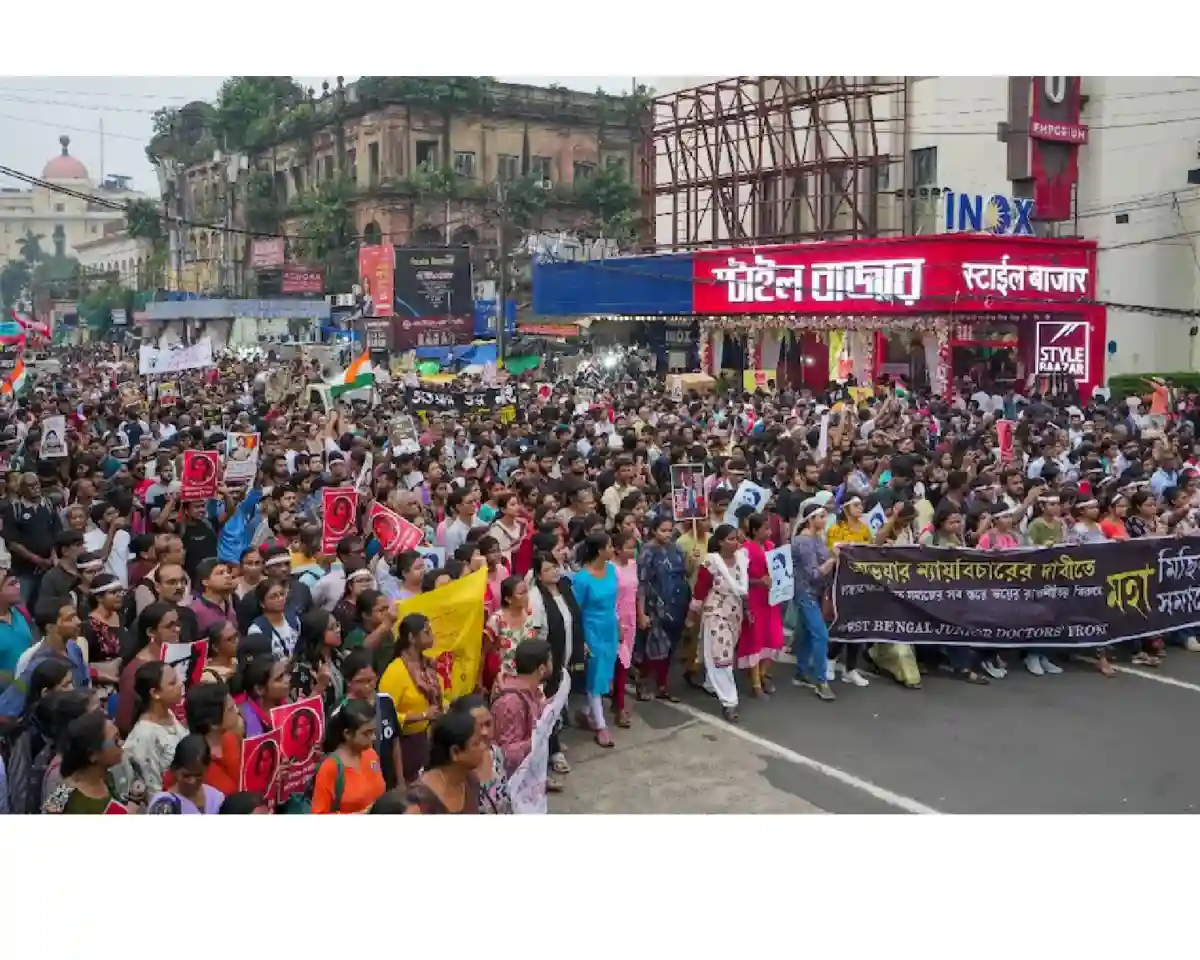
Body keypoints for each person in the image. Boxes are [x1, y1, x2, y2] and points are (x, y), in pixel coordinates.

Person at [378, 613, 444, 783]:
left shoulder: (428, 665)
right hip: (404, 746)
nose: (432, 635)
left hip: (426, 740)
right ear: (411, 638)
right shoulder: (395, 672)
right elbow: (384, 716)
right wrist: (423, 715)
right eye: (426, 631)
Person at [571, 532, 619, 748]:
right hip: (591, 630)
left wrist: (618, 625)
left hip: (610, 627)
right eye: (610, 546)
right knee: (596, 676)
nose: (613, 549)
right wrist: (580, 639)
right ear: (600, 550)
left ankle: (586, 712)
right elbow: (576, 610)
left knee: (606, 673)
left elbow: (613, 602)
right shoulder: (581, 579)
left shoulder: (611, 570)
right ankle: (600, 725)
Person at [636, 514, 690, 701]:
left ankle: (662, 685)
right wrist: (641, 612)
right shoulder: (647, 551)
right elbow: (642, 583)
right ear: (653, 530)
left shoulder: (677, 549)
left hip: (676, 604)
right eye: (663, 530)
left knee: (671, 648)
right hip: (655, 606)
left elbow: (684, 574)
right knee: (653, 647)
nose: (667, 534)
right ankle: (643, 682)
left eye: (670, 530)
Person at [790, 502, 838, 702]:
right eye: (821, 517)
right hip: (806, 593)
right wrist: (833, 559)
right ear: (810, 519)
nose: (825, 520)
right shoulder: (803, 541)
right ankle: (821, 681)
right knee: (820, 635)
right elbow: (814, 574)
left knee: (806, 634)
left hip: (815, 593)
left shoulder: (817, 538)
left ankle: (801, 672)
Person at [43, 712, 136, 814]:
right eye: (116, 740)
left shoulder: (107, 778)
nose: (122, 744)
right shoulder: (64, 803)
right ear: (93, 755)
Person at [736, 512, 786, 695]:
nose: (770, 532)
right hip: (754, 600)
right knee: (755, 640)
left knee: (774, 638)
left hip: (771, 600)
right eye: (766, 528)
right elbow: (740, 578)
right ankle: (756, 683)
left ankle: (763, 673)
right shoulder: (744, 550)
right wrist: (759, 581)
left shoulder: (771, 546)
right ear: (755, 530)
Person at [341, 649, 402, 791]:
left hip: (387, 780)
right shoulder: (343, 710)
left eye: (371, 680)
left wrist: (400, 781)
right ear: (349, 682)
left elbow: (395, 741)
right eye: (360, 681)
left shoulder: (386, 701)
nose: (367, 686)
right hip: (358, 784)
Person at [311, 698, 386, 814]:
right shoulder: (330, 768)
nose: (373, 738)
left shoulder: (370, 754)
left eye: (373, 732)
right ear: (348, 734)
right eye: (367, 733)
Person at [122, 660, 187, 794]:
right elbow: (152, 790)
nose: (180, 684)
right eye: (172, 683)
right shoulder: (144, 735)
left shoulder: (168, 712)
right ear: (155, 693)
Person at [403, 710, 483, 815]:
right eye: (476, 743)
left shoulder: (471, 781)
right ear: (455, 752)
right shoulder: (420, 798)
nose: (483, 747)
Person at [448, 694, 513, 814]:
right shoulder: (450, 766)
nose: (484, 732)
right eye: (477, 726)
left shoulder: (496, 754)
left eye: (488, 724)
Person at [146, 734, 225, 814]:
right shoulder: (163, 804)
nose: (192, 781)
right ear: (174, 770)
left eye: (198, 775)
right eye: (186, 775)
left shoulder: (216, 798)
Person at [245, 579, 301, 660]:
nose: (280, 599)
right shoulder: (256, 630)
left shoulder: (294, 619)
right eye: (273, 597)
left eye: (282, 594)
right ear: (262, 603)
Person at [237, 655, 291, 738]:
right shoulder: (244, 720)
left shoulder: (287, 700)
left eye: (286, 673)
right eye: (279, 678)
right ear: (259, 689)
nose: (288, 679)